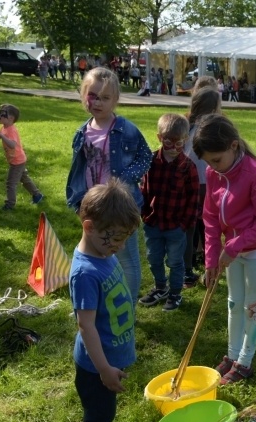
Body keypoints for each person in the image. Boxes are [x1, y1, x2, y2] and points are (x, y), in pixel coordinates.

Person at [192, 115, 256, 385]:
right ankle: (232, 354)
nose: (213, 167)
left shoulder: (255, 173)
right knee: (233, 303)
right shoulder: (213, 172)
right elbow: (209, 218)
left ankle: (246, 359)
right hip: (232, 251)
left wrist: (233, 246)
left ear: (232, 146)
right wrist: (210, 259)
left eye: (216, 160)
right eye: (208, 162)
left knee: (252, 305)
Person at [70, 179, 142, 422]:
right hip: (96, 365)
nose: (120, 247)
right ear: (89, 226)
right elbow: (85, 326)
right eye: (114, 240)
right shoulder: (85, 272)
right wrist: (104, 369)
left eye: (124, 239)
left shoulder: (104, 253)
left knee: (104, 409)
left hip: (111, 355)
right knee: (98, 411)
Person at [66, 67, 152, 303]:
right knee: (100, 251)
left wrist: (123, 178)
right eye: (92, 95)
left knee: (127, 258)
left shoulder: (127, 129)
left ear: (115, 100)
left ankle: (129, 308)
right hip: (95, 205)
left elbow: (146, 157)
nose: (98, 102)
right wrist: (78, 200)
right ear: (84, 95)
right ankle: (109, 299)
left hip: (121, 205)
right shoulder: (82, 133)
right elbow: (79, 170)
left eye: (105, 98)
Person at [138, 114, 199, 311]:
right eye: (168, 142)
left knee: (175, 261)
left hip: (175, 226)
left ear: (186, 140)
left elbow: (193, 198)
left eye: (179, 143)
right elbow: (144, 190)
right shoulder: (151, 162)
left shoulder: (188, 167)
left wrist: (184, 224)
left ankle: (175, 293)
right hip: (153, 223)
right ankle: (160, 287)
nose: (173, 148)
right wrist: (144, 214)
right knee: (153, 258)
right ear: (159, 138)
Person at [184, 88, 222, 288]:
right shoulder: (208, 128)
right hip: (204, 183)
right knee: (207, 225)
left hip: (194, 183)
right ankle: (203, 264)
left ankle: (196, 263)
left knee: (197, 225)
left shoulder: (188, 126)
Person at [0, 104, 43, 210]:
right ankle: (37, 195)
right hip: (16, 159)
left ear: (11, 118)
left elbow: (12, 144)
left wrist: (2, 135)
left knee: (10, 183)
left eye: (2, 114)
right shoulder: (4, 127)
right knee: (24, 179)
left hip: (17, 160)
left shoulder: (11, 130)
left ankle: (10, 204)